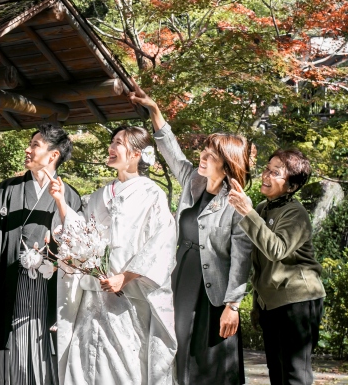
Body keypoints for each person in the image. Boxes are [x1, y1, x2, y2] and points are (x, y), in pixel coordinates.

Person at [130, 87, 253, 385]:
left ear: (226, 163)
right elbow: (170, 150)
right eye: (204, 150)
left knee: (211, 360)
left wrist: (232, 306)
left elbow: (241, 258)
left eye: (211, 155)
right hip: (181, 277)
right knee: (178, 347)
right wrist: (154, 110)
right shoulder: (193, 182)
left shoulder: (236, 201)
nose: (203, 156)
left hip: (215, 291)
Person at [51, 125, 178, 385]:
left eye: (118, 143)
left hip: (129, 298)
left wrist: (126, 277)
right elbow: (81, 234)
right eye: (112, 142)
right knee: (83, 365)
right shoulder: (98, 196)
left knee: (124, 370)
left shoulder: (152, 194)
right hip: (92, 298)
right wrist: (61, 202)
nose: (111, 147)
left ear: (136, 154)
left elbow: (161, 243)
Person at [0, 123, 83, 385]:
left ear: (53, 155)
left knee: (44, 348)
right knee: (13, 346)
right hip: (11, 285)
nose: (27, 150)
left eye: (35, 146)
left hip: (50, 289)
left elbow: (80, 245)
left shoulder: (70, 197)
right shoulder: (7, 190)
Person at [227, 148, 326, 385]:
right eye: (267, 169)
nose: (266, 176)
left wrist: (246, 212)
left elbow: (277, 250)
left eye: (276, 172)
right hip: (272, 304)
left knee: (295, 375)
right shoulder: (263, 208)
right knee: (276, 372)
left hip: (298, 301)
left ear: (291, 186)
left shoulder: (295, 212)